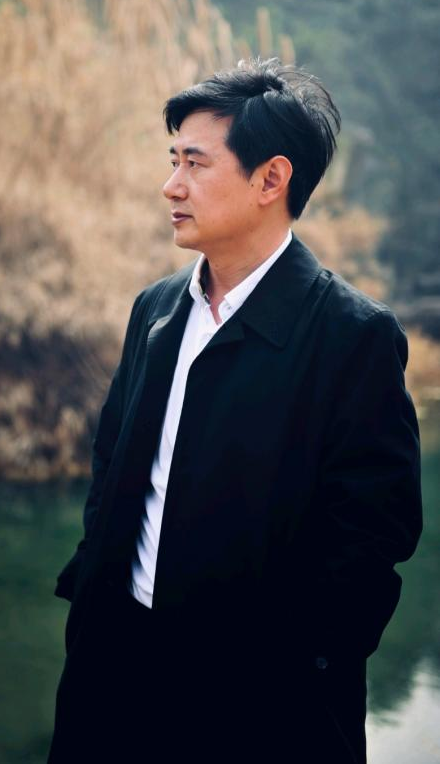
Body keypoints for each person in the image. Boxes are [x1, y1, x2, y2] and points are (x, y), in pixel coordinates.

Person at [47, 58, 422, 764]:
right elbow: (111, 467)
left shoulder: (352, 336)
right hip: (115, 672)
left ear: (271, 179)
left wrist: (300, 663)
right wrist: (95, 601)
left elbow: (374, 537)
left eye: (195, 163)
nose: (172, 185)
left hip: (260, 706)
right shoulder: (157, 309)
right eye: (173, 161)